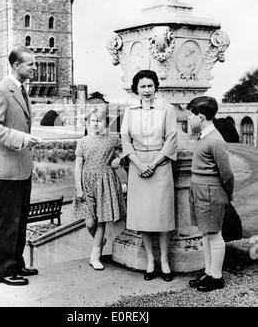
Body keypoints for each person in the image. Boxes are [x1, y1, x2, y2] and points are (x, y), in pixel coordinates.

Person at [0, 47, 42, 286]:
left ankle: (16, 264)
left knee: (19, 220)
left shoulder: (20, 90)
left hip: (21, 169)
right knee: (6, 222)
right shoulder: (0, 91)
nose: (35, 68)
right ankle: (5, 271)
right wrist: (21, 138)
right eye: (30, 64)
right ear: (16, 66)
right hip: (6, 171)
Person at [120, 70, 177, 281]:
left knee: (162, 215)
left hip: (160, 166)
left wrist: (152, 164)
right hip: (137, 166)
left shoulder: (167, 109)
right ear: (136, 89)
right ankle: (151, 261)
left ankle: (164, 261)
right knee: (143, 216)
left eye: (150, 86)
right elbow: (125, 139)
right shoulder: (130, 110)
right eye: (142, 86)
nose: (146, 90)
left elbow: (171, 139)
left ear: (156, 87)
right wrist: (138, 163)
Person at [187, 96, 235, 292]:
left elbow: (228, 174)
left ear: (200, 117)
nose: (188, 119)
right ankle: (209, 272)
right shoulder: (203, 136)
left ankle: (217, 277)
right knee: (206, 234)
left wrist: (228, 194)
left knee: (214, 235)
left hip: (210, 192)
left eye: (190, 115)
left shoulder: (215, 140)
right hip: (199, 189)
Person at [73, 105, 126, 270]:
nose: (96, 124)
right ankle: (99, 241)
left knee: (101, 221)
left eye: (100, 121)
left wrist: (119, 158)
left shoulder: (112, 139)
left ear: (105, 122)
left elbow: (127, 149)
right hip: (87, 183)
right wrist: (78, 188)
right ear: (88, 122)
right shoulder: (82, 142)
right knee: (90, 223)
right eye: (93, 121)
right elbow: (78, 167)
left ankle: (95, 257)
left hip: (105, 182)